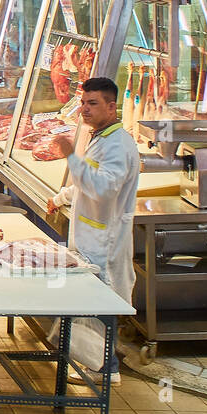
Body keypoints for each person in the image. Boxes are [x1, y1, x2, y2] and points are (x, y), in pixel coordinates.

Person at [47, 77, 140, 384]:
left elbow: (102, 188)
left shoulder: (117, 145)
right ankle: (94, 363)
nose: (84, 110)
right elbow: (85, 186)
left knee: (99, 305)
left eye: (93, 103)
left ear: (112, 107)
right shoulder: (100, 137)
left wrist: (71, 157)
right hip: (90, 236)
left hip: (104, 241)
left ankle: (107, 369)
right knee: (87, 305)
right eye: (83, 103)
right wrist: (60, 197)